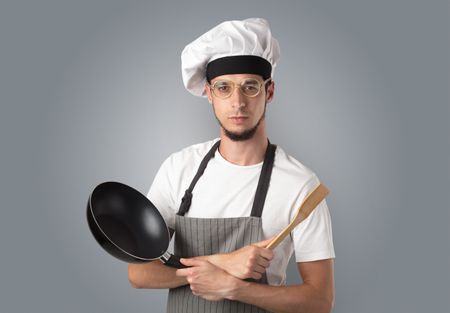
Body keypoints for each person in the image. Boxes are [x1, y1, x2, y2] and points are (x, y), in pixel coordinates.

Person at [128, 18, 335, 313]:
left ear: (269, 92)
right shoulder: (179, 169)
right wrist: (221, 262)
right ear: (209, 93)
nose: (238, 102)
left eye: (250, 87)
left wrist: (234, 287)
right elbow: (138, 273)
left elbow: (320, 301)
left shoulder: (301, 185)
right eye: (224, 88)